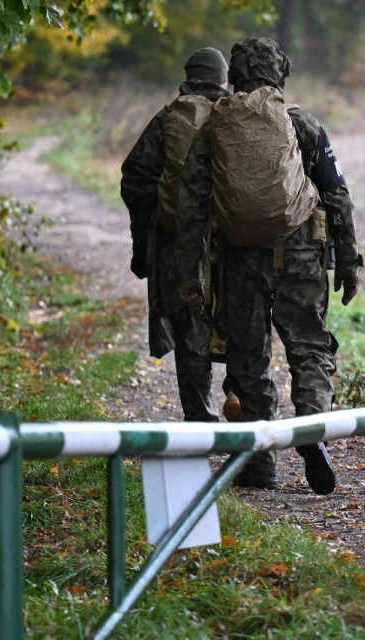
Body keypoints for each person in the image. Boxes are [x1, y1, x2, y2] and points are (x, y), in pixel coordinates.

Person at [174, 37, 360, 495]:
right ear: (280, 75)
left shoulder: (215, 128)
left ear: (234, 77)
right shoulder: (301, 123)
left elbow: (191, 207)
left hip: (240, 257)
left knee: (249, 356)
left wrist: (188, 273)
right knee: (310, 348)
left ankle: (260, 465)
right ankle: (313, 428)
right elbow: (337, 195)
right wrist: (348, 261)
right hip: (299, 254)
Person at [120, 47, 241, 423]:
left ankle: (201, 421)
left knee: (192, 334)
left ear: (188, 78)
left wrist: (157, 222)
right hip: (238, 244)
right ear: (224, 80)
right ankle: (239, 396)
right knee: (244, 325)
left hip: (179, 245)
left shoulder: (168, 119)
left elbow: (134, 180)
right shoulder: (241, 115)